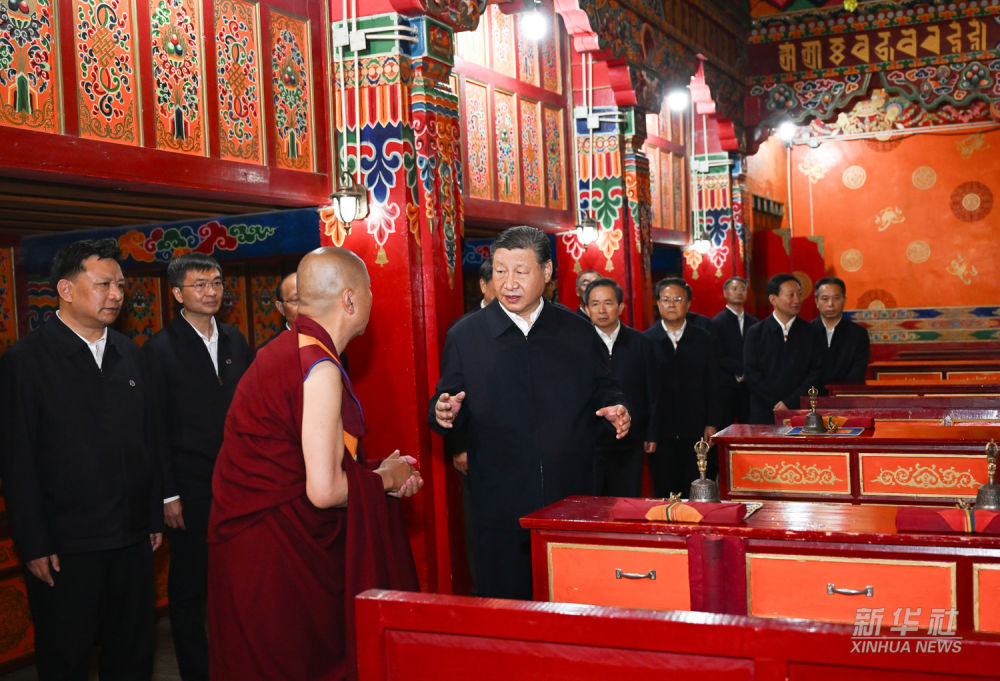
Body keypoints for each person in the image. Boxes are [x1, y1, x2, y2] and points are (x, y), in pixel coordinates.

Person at [207, 247, 422, 681]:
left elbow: (299, 458)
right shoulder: (318, 366)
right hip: (275, 554)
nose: (372, 300)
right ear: (349, 299)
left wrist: (374, 471)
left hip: (255, 543)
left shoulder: (287, 349)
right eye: (369, 290)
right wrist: (385, 480)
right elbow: (323, 491)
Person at [429, 226, 629, 600]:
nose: (509, 283)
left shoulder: (577, 331)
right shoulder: (466, 336)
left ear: (547, 271)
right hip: (499, 499)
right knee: (507, 603)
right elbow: (446, 398)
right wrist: (442, 412)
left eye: (521, 271)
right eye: (500, 271)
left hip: (570, 493)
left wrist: (618, 408)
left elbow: (606, 387)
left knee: (574, 597)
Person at [0, 238, 162, 681]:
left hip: (131, 538)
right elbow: (17, 461)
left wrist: (151, 516)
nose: (116, 294)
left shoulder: (131, 354)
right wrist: (33, 543)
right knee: (66, 657)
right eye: (104, 284)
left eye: (121, 285)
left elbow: (148, 441)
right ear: (66, 290)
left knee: (132, 655)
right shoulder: (26, 361)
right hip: (66, 547)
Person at [143, 253, 251, 681]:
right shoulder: (159, 349)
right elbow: (155, 428)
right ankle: (196, 670)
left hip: (238, 482)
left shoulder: (236, 340)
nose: (211, 292)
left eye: (216, 283)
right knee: (190, 586)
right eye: (200, 285)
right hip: (188, 487)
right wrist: (168, 494)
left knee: (237, 580)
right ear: (176, 294)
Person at [644, 277, 721, 496]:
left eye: (678, 299)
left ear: (688, 303)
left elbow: (714, 384)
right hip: (661, 431)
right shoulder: (646, 341)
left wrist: (712, 423)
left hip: (696, 427)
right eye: (666, 299)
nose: (671, 304)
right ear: (658, 303)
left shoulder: (704, 339)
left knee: (695, 489)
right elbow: (644, 392)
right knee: (664, 491)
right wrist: (648, 431)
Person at [585, 277, 658, 497]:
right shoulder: (578, 344)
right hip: (591, 442)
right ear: (586, 309)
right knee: (593, 503)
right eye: (595, 304)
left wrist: (652, 433)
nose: (602, 310)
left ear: (620, 307)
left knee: (626, 501)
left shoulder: (641, 343)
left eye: (608, 303)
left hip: (630, 439)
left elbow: (653, 391)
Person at [743, 273, 825, 424]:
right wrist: (775, 404)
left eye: (799, 294)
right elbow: (751, 374)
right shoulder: (756, 332)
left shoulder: (811, 332)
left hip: (801, 410)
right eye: (791, 295)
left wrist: (789, 402)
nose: (797, 300)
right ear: (773, 299)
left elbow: (816, 373)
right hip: (764, 412)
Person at [711, 276, 759, 426]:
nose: (739, 292)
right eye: (734, 288)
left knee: (750, 426)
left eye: (743, 289)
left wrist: (748, 372)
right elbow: (717, 354)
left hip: (750, 386)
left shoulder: (754, 323)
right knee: (725, 427)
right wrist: (741, 370)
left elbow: (758, 352)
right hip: (726, 384)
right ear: (725, 293)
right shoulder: (716, 322)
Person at [812, 276, 870, 389]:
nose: (830, 304)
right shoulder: (805, 333)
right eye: (825, 298)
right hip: (813, 396)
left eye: (836, 298)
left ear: (844, 300)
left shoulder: (858, 334)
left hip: (847, 395)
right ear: (817, 302)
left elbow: (857, 374)